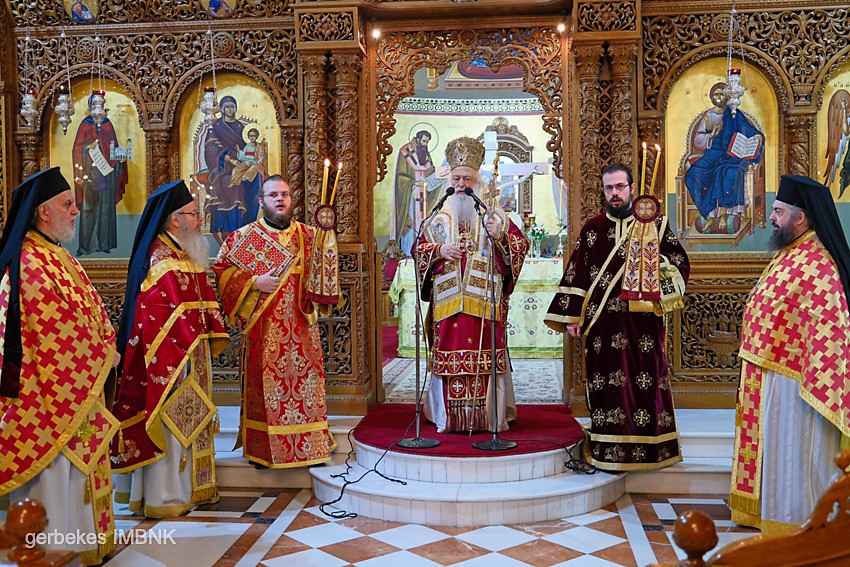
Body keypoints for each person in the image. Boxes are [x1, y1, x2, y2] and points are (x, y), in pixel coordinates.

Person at [0, 167, 119, 565]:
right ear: (43, 212)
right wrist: (102, 355)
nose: (76, 210)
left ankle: (82, 545)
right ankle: (51, 551)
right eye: (68, 204)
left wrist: (106, 344)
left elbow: (93, 311)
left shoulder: (58, 255)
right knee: (54, 475)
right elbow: (54, 331)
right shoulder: (29, 262)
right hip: (43, 396)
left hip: (76, 386)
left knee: (75, 471)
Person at [544, 162, 690, 471]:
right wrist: (573, 316)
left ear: (632, 188)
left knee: (646, 385)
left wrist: (654, 265)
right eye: (609, 188)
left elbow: (680, 264)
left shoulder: (655, 225)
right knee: (607, 388)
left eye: (620, 187)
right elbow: (578, 273)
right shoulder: (593, 228)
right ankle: (607, 450)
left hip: (643, 324)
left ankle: (653, 449)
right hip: (602, 325)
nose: (615, 193)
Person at [729, 175, 850, 534]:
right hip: (773, 374)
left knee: (794, 453)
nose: (772, 218)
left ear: (801, 217)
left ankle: (797, 523)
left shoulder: (818, 263)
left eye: (779, 212)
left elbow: (830, 327)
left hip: (797, 385)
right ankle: (771, 513)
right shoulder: (792, 253)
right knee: (776, 452)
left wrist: (810, 369)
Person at [110, 180, 229, 517]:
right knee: (170, 421)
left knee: (190, 419)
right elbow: (157, 316)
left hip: (192, 357)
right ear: (175, 219)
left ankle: (193, 489)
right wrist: (183, 347)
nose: (199, 220)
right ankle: (165, 495)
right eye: (193, 214)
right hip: (169, 362)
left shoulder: (184, 254)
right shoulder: (160, 259)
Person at [213, 175, 336, 468]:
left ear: (291, 200)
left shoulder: (309, 235)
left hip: (302, 328)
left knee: (307, 388)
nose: (280, 199)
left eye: (285, 194)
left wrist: (328, 239)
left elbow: (324, 275)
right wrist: (254, 282)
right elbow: (221, 271)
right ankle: (264, 452)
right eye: (273, 195)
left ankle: (310, 448)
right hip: (264, 331)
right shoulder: (242, 237)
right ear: (261, 201)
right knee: (265, 389)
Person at [417, 136, 529, 433]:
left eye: (467, 178)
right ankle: (448, 417)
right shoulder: (437, 215)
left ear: (477, 179)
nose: (461, 184)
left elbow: (520, 246)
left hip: (485, 303)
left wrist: (500, 236)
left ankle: (490, 417)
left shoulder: (495, 214)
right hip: (448, 303)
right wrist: (438, 251)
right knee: (449, 353)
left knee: (486, 357)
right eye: (457, 178)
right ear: (449, 179)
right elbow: (419, 250)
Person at [684, 79, 764, 234]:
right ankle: (708, 215)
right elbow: (698, 141)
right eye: (716, 94)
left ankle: (724, 214)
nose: (719, 97)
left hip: (731, 155)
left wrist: (757, 136)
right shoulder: (708, 117)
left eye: (722, 94)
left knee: (730, 173)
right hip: (711, 155)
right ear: (711, 97)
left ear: (727, 97)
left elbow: (747, 129)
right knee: (691, 176)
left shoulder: (734, 115)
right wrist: (711, 136)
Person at [73, 92, 129, 255]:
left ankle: (105, 244)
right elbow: (77, 148)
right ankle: (85, 246)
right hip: (89, 175)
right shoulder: (85, 124)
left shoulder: (107, 124)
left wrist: (120, 159)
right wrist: (86, 149)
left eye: (101, 104)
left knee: (105, 208)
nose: (99, 108)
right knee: (88, 210)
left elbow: (113, 148)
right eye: (95, 104)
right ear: (90, 107)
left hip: (106, 175)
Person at [203, 95, 263, 241]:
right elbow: (211, 150)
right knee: (231, 183)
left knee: (258, 178)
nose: (230, 110)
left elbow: (247, 148)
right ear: (222, 109)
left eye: (232, 107)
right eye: (227, 107)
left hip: (243, 164)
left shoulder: (240, 127)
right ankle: (231, 228)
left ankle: (249, 222)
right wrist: (230, 158)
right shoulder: (217, 127)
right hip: (223, 168)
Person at [393, 130, 438, 254]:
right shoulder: (405, 152)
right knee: (412, 224)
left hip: (424, 195)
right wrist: (413, 183)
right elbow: (400, 177)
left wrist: (442, 172)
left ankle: (423, 253)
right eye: (423, 141)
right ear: (417, 139)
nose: (425, 144)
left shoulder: (425, 154)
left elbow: (431, 171)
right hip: (410, 195)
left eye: (427, 142)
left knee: (423, 222)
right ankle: (408, 253)